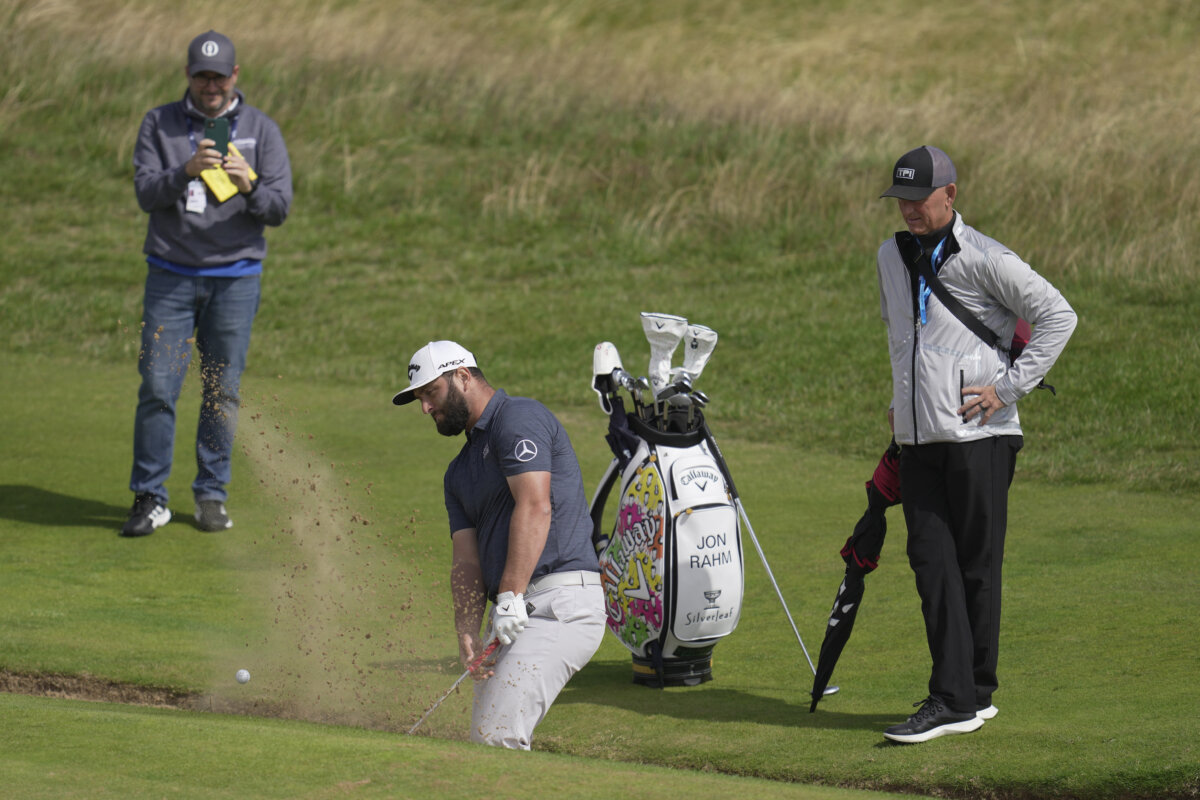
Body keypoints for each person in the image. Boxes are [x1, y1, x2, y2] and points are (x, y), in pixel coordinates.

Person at [875, 145, 1076, 743]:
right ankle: (962, 694)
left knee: (976, 567)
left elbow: (1058, 316)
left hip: (981, 436)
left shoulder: (987, 257)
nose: (910, 210)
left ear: (950, 195)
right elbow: (899, 334)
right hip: (919, 438)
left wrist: (1008, 390)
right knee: (931, 561)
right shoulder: (890, 255)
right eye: (901, 200)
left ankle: (966, 694)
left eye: (920, 199)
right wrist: (900, 400)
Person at [392, 341, 607, 749]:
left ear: (463, 377)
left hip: (558, 605)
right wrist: (467, 628)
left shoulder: (519, 418)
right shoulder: (457, 473)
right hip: (514, 611)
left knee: (496, 738)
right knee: (485, 740)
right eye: (420, 399)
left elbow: (535, 506)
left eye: (431, 393)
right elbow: (466, 561)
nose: (425, 408)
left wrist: (509, 595)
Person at [122, 30, 292, 537]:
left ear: (235, 75)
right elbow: (145, 192)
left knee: (223, 391)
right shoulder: (160, 123)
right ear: (189, 76)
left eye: (219, 76)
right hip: (171, 275)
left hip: (235, 279)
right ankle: (150, 496)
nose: (211, 85)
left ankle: (211, 494)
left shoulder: (261, 130)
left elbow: (279, 208)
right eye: (202, 75)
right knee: (157, 386)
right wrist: (185, 171)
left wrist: (250, 183)